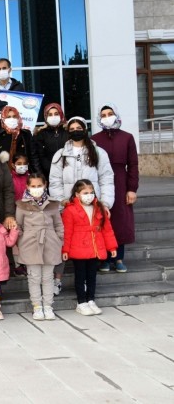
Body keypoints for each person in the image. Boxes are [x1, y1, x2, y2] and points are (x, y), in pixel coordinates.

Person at [91, 103, 138, 273]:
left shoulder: (127, 137)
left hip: (121, 182)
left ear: (116, 115)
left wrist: (132, 189)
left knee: (121, 220)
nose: (106, 117)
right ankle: (103, 259)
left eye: (109, 113)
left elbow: (133, 164)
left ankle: (118, 258)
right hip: (101, 182)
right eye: (103, 115)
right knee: (103, 219)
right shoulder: (95, 139)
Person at [62, 179, 118, 316]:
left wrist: (112, 247)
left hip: (95, 249)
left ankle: (91, 299)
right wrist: (65, 249)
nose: (89, 195)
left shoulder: (99, 208)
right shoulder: (70, 210)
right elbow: (67, 232)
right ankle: (81, 302)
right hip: (79, 249)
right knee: (80, 277)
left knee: (92, 276)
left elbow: (107, 230)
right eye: (85, 192)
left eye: (91, 192)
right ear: (77, 194)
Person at [15, 173, 63, 321]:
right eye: (33, 186)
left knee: (48, 277)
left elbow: (58, 224)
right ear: (27, 187)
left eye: (39, 186)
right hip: (30, 244)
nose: (36, 189)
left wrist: (59, 240)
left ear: (45, 185)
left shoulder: (53, 204)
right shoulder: (22, 205)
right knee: (34, 277)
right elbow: (18, 225)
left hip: (50, 243)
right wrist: (22, 241)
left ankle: (48, 305)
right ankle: (37, 306)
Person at [49, 117, 115, 209]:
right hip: (69, 207)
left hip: (94, 206)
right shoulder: (60, 154)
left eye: (79, 128)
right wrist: (62, 202)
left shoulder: (99, 152)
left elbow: (106, 179)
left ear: (85, 129)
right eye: (72, 129)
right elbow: (55, 182)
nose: (75, 131)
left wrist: (105, 204)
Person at [0, 106, 39, 173]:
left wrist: (38, 174)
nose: (12, 119)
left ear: (18, 118)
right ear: (3, 119)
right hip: (4, 174)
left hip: (23, 173)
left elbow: (33, 157)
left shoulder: (26, 134)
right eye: (8, 117)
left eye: (14, 116)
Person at [33, 103, 68, 180]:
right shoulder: (40, 135)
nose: (53, 117)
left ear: (61, 115)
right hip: (47, 176)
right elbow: (37, 157)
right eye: (50, 114)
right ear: (46, 116)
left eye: (56, 114)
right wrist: (41, 176)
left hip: (67, 174)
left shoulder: (68, 133)